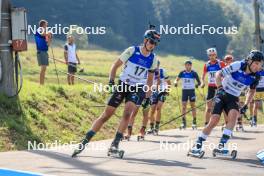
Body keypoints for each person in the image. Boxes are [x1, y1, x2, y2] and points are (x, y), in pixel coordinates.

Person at [71, 29, 160, 157]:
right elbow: (115, 65)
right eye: (152, 41)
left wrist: (147, 96)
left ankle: (115, 145)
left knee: (128, 113)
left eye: (155, 43)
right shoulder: (132, 50)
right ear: (145, 40)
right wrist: (111, 82)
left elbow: (150, 79)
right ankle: (84, 141)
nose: (153, 45)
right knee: (106, 115)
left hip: (138, 88)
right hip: (123, 85)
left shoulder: (153, 58)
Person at [189, 50, 263, 156]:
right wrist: (219, 88)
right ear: (250, 61)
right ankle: (198, 144)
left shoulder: (256, 76)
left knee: (233, 117)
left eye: (260, 64)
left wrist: (246, 104)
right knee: (214, 120)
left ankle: (221, 146)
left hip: (233, 97)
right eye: (256, 63)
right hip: (222, 93)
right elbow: (219, 74)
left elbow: (252, 91)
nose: (258, 67)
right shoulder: (238, 65)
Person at [201, 48, 225, 125]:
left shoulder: (220, 63)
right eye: (210, 55)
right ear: (208, 56)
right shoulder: (207, 65)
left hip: (219, 86)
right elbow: (203, 75)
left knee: (223, 107)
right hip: (210, 87)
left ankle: (226, 124)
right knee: (208, 107)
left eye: (214, 55)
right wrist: (202, 82)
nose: (212, 56)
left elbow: (226, 74)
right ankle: (206, 124)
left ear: (216, 55)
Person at [174, 60, 201, 129]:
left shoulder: (194, 73)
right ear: (185, 65)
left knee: (193, 106)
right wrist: (175, 82)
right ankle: (183, 122)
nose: (187, 66)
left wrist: (197, 84)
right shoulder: (182, 72)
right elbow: (176, 79)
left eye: (189, 65)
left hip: (191, 91)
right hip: (184, 91)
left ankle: (194, 122)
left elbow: (199, 82)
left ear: (191, 66)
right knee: (183, 106)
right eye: (186, 65)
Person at [147, 63, 171, 135]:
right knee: (152, 110)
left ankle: (157, 127)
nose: (155, 66)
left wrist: (168, 90)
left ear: (158, 65)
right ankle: (151, 127)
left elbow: (169, 82)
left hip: (162, 91)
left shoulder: (163, 71)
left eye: (156, 65)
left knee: (158, 108)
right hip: (153, 91)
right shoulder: (150, 71)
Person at [35, 19, 52, 85]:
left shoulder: (45, 34)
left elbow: (48, 44)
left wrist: (50, 37)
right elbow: (42, 34)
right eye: (46, 25)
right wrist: (48, 34)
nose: (47, 26)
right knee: (43, 68)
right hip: (41, 51)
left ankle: (42, 83)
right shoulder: (39, 29)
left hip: (45, 52)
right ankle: (41, 84)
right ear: (43, 25)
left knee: (44, 69)